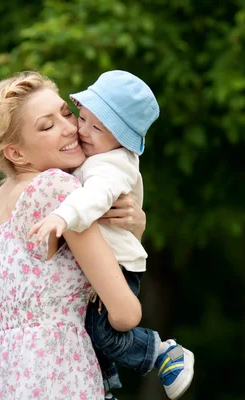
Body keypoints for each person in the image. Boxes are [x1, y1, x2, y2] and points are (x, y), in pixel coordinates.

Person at [0, 71, 146, 400]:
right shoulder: (57, 189)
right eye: (47, 125)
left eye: (66, 112)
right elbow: (126, 312)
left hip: (15, 376)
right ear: (16, 153)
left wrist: (132, 224)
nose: (70, 127)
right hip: (63, 373)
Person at [27, 70, 195, 400]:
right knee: (91, 334)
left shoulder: (112, 164)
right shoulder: (97, 155)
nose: (82, 131)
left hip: (118, 265)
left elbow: (96, 196)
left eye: (98, 128)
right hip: (105, 261)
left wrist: (62, 215)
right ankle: (103, 389)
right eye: (84, 119)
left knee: (105, 333)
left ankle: (161, 352)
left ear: (122, 139)